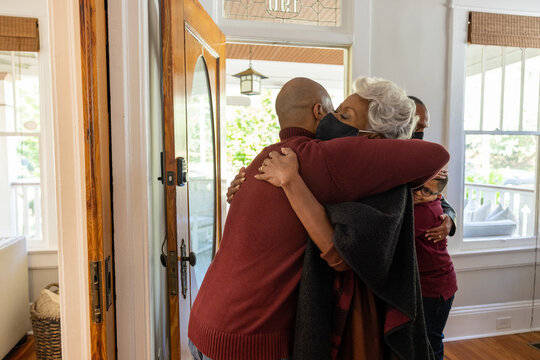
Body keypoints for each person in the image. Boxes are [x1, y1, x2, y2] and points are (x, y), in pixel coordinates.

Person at [188, 77, 449, 360]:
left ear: (372, 140)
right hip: (247, 339)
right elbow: (436, 155)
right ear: (318, 112)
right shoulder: (322, 158)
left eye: (343, 115)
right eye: (334, 111)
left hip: (205, 321)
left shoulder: (265, 158)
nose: (333, 119)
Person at [412, 177, 457, 360]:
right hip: (429, 283)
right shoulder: (423, 202)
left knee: (431, 342)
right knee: (425, 340)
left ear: (437, 195)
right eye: (418, 187)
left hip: (435, 287)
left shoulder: (424, 213)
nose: (418, 193)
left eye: (426, 191)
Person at [408, 96, 457, 243]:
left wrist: (450, 218)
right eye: (417, 127)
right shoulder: (380, 152)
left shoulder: (422, 156)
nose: (420, 133)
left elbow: (438, 196)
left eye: (423, 128)